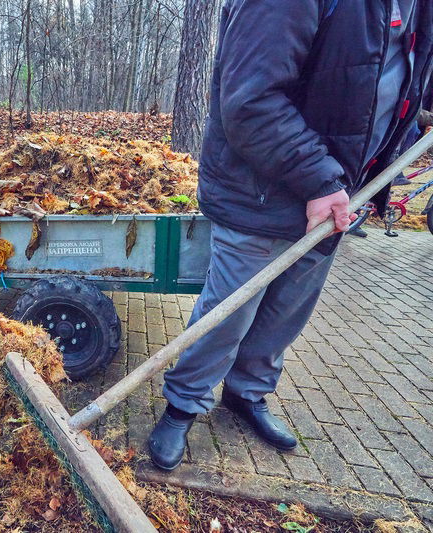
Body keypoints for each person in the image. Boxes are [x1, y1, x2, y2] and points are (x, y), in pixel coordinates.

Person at [149, 0, 432, 471]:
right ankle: (182, 406)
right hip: (261, 190)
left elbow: (407, 66)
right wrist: (318, 180)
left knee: (287, 310)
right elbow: (250, 100)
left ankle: (247, 393)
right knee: (230, 313)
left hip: (341, 191)